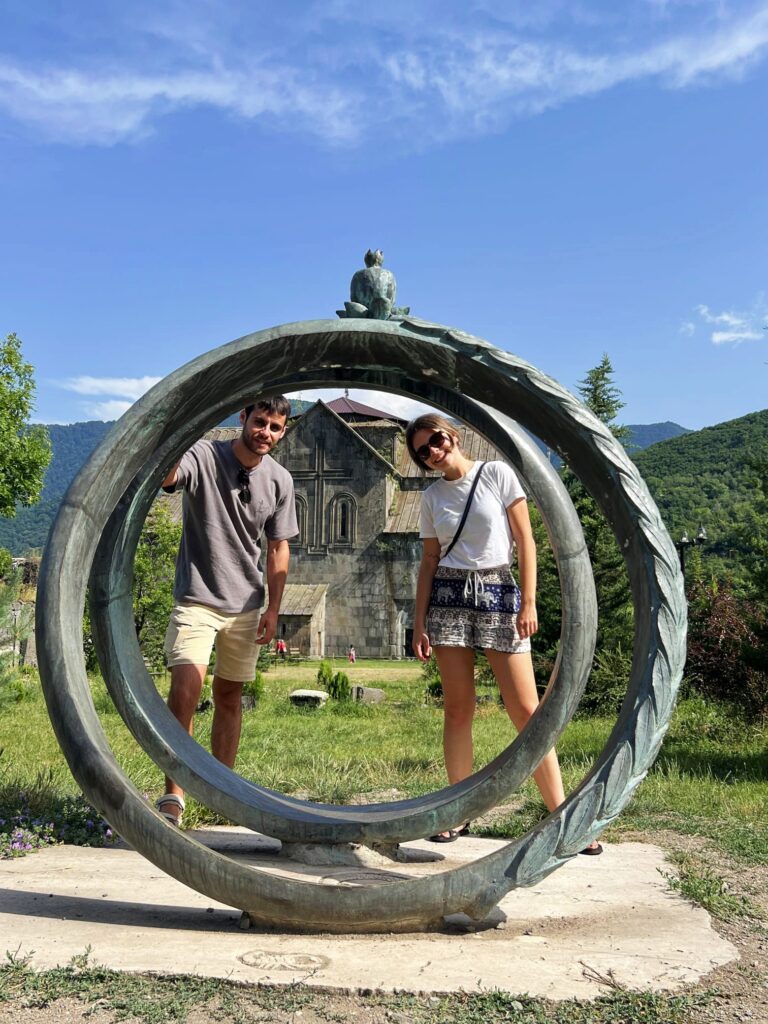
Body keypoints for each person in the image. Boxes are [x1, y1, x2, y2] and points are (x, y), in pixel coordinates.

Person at [407, 413, 602, 853]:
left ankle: (561, 813)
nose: (433, 452)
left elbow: (526, 539)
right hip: (449, 597)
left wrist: (528, 601)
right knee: (458, 709)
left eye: (436, 441)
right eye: (423, 452)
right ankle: (457, 812)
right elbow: (429, 561)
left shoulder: (495, 473)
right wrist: (419, 622)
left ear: (451, 435)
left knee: (526, 710)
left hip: (498, 591)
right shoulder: (432, 496)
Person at [155, 397, 298, 827]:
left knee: (229, 697)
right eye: (259, 423)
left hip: (245, 605)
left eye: (275, 427)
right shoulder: (204, 454)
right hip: (198, 596)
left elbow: (278, 548)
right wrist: (178, 428)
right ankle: (174, 793)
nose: (265, 433)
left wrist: (274, 608)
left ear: (283, 432)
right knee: (186, 689)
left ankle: (223, 791)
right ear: (242, 418)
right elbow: (168, 476)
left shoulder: (280, 480)